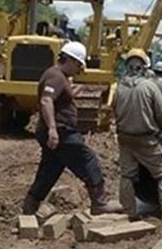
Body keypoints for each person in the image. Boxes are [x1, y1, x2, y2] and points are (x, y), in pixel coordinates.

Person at [20, 40, 121, 216]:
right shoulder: (56, 76)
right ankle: (100, 202)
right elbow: (46, 100)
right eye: (79, 66)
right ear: (71, 60)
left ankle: (31, 204)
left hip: (56, 130)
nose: (79, 70)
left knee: (51, 168)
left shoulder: (58, 76)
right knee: (88, 159)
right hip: (61, 131)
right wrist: (52, 129)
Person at [113, 49, 162, 222]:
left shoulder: (118, 87)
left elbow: (113, 110)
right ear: (144, 67)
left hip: (125, 138)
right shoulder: (150, 87)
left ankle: (128, 212)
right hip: (146, 139)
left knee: (127, 175)